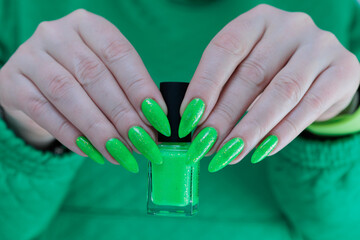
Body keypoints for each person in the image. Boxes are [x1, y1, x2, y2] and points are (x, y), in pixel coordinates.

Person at [0, 0, 359, 239]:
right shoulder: (17, 10)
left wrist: (337, 117)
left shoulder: (341, 13)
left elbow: (341, 231)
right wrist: (25, 132)